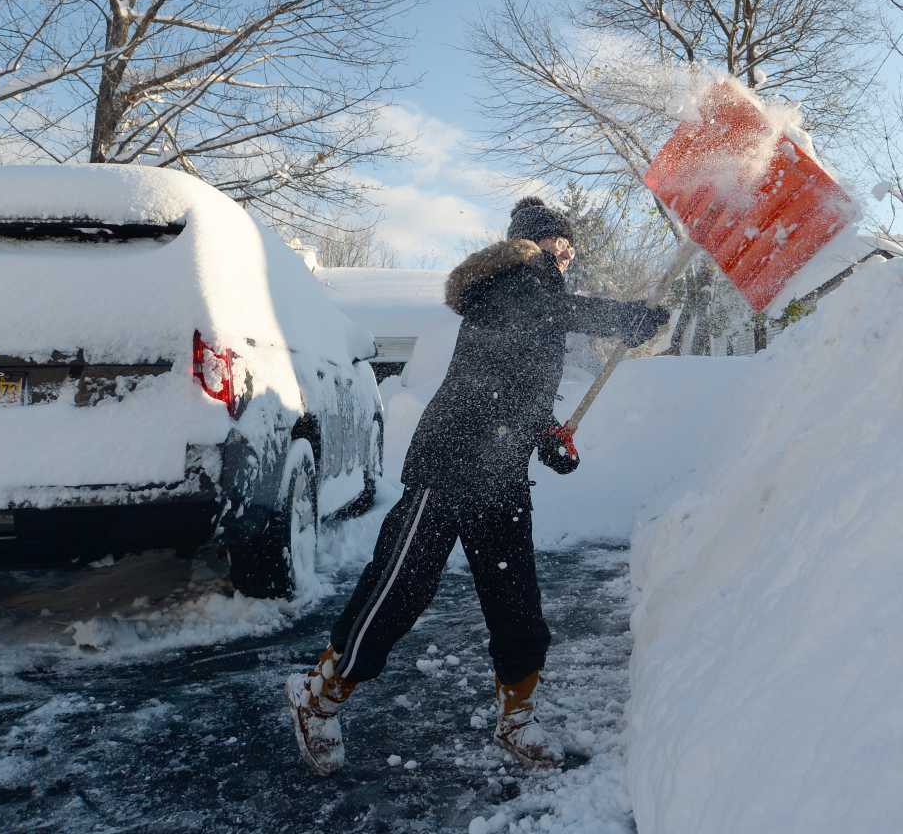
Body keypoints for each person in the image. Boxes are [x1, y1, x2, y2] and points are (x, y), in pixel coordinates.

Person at [286, 197, 672, 775]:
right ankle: (319, 698)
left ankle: (516, 715)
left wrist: (545, 435)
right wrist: (623, 317)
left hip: (501, 471)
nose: (566, 256)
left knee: (516, 601)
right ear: (530, 246)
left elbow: (514, 383)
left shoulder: (541, 301)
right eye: (557, 245)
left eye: (569, 248)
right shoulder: (507, 285)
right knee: (400, 589)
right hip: (449, 464)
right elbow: (542, 310)